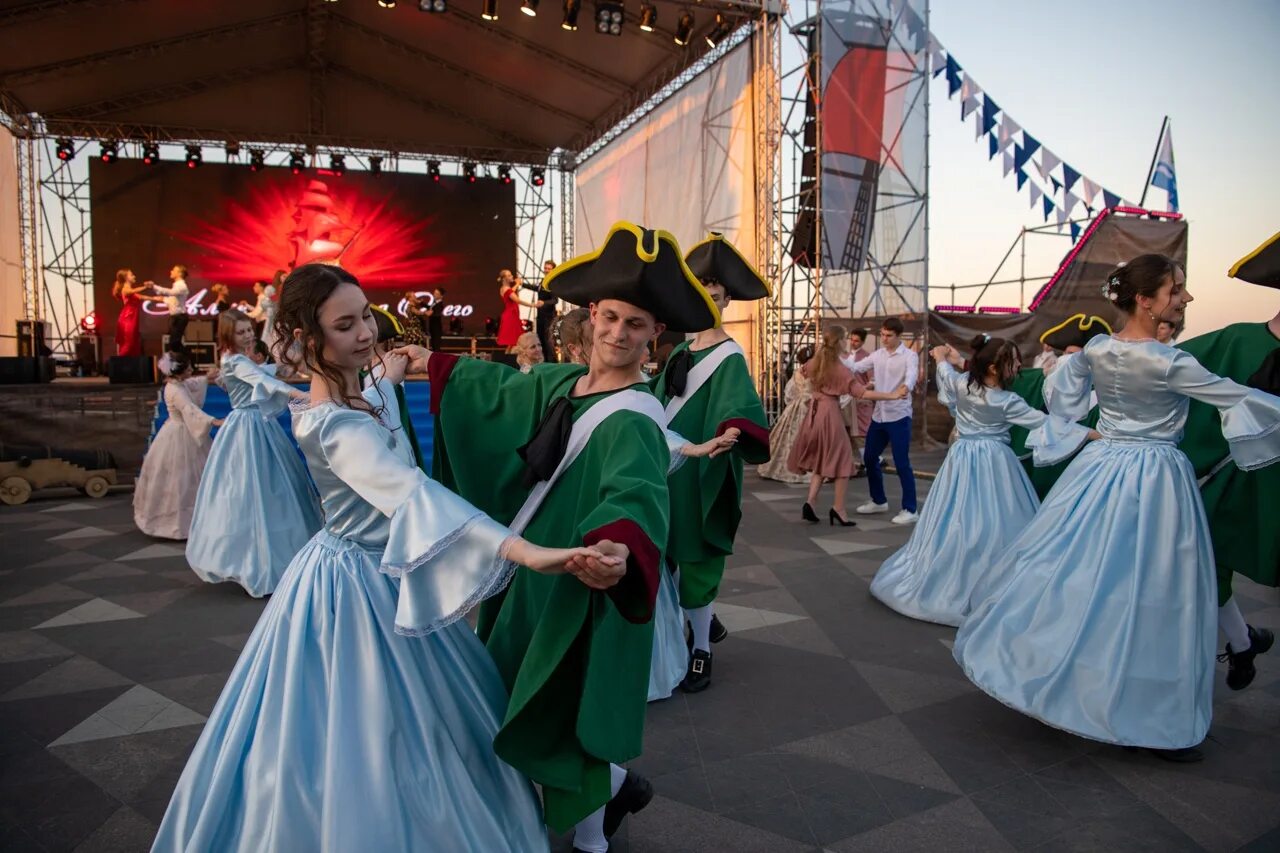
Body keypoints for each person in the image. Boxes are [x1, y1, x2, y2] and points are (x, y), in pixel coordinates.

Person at [153, 263, 620, 853]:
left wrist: (392, 373)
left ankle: (593, 790)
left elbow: (377, 408)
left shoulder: (360, 398)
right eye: (344, 325)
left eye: (366, 315)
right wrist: (525, 552)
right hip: (353, 592)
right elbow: (409, 491)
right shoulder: (334, 428)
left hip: (380, 575)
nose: (366, 333)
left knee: (433, 715)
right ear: (306, 339)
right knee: (366, 727)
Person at [395, 221, 720, 852]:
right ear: (592, 314)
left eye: (636, 325)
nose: (619, 334)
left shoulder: (638, 419)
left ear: (656, 335)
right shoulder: (561, 385)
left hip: (579, 582)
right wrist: (432, 364)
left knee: (571, 704)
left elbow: (637, 494)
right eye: (612, 317)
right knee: (520, 692)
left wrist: (617, 548)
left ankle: (594, 838)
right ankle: (619, 787)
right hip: (527, 573)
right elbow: (502, 391)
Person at [954, 254, 1280, 762]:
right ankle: (1150, 712)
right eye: (1177, 290)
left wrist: (1100, 425)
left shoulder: (1099, 348)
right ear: (1146, 302)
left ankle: (1063, 675)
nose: (1186, 298)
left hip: (1100, 469)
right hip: (1155, 480)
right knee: (1159, 588)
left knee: (1081, 574)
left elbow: (1063, 396)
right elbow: (1240, 400)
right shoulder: (1173, 362)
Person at [869, 337, 1091, 626]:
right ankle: (993, 577)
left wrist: (940, 355)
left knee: (955, 515)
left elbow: (946, 375)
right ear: (995, 369)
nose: (1019, 366)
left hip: (961, 458)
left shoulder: (963, 386)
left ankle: (952, 571)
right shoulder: (1007, 400)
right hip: (995, 462)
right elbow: (1045, 423)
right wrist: (1089, 434)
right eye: (1013, 362)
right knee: (996, 519)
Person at [650, 232, 772, 693]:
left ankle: (701, 647)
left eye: (716, 296)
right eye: (701, 294)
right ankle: (703, 622)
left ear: (725, 301)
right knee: (667, 552)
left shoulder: (729, 354)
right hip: (669, 463)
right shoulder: (680, 350)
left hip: (705, 467)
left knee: (695, 555)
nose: (709, 302)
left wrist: (733, 431)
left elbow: (738, 404)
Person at [1177, 232, 1280, 691]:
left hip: (1271, 496)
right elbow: (1159, 375)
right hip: (1223, 484)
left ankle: (1241, 645)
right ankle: (1236, 648)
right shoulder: (1233, 341)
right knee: (1202, 567)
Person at [185, 309, 323, 597]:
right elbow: (265, 382)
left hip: (259, 425)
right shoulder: (234, 361)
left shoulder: (237, 361)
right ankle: (258, 562)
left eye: (249, 330)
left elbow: (261, 375)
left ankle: (279, 558)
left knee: (272, 491)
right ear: (228, 335)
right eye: (241, 332)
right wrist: (301, 395)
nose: (248, 335)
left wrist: (283, 366)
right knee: (255, 492)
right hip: (247, 428)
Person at [788, 325, 908, 525]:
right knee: (843, 461)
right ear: (840, 342)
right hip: (829, 414)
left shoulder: (814, 362)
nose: (848, 341)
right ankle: (839, 509)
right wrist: (892, 395)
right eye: (845, 338)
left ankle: (810, 501)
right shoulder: (839, 369)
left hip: (813, 414)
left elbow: (803, 373)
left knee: (821, 459)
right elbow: (862, 393)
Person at [1006, 314, 1111, 499]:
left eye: (1078, 356)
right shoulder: (1044, 381)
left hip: (1081, 472)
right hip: (1041, 468)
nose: (1070, 360)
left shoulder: (1104, 393)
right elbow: (1005, 379)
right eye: (1067, 354)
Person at [133, 351, 223, 540]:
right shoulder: (176, 391)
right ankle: (178, 523)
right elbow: (190, 410)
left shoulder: (176, 384)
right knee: (182, 478)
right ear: (178, 372)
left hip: (178, 431)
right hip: (181, 433)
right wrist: (215, 421)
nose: (191, 370)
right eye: (188, 367)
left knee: (187, 477)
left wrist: (206, 378)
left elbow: (191, 384)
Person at [850, 317, 920, 524]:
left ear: (898, 336)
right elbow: (856, 367)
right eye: (882, 334)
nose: (884, 338)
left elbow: (912, 375)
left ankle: (911, 509)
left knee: (901, 462)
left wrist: (906, 387)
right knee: (870, 457)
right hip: (879, 415)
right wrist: (831, 357)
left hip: (899, 415)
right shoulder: (878, 354)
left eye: (889, 335)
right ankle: (878, 500)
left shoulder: (909, 356)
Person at [757, 346, 815, 484]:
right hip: (811, 406)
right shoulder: (815, 372)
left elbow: (789, 392)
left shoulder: (797, 372)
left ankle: (783, 466)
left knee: (790, 438)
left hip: (797, 406)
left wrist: (794, 402)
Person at [840, 327, 872, 477]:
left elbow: (873, 380)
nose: (853, 343)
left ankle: (868, 463)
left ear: (863, 342)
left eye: (856, 341)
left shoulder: (866, 357)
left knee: (860, 432)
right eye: (851, 340)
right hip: (845, 400)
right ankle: (851, 463)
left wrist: (862, 391)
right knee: (846, 432)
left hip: (859, 400)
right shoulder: (845, 355)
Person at [496, 269, 541, 351]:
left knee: (512, 343)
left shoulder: (504, 288)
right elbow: (518, 300)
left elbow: (511, 292)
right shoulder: (507, 289)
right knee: (515, 341)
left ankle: (507, 360)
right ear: (504, 278)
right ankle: (511, 359)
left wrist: (517, 284)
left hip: (511, 314)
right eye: (509, 275)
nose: (512, 276)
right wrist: (533, 305)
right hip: (511, 315)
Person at [149, 264, 191, 351]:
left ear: (179, 273)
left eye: (173, 270)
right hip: (176, 317)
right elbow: (174, 301)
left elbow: (172, 292)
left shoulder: (181, 285)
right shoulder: (177, 285)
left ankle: (188, 361)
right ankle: (183, 362)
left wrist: (154, 286)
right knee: (174, 343)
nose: (171, 271)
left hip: (179, 317)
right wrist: (163, 299)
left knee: (175, 343)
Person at [525, 260, 560, 359]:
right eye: (545, 268)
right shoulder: (543, 281)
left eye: (549, 268)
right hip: (541, 316)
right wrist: (522, 284)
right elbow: (537, 288)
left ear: (553, 270)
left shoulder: (553, 283)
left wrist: (544, 303)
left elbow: (555, 300)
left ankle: (552, 364)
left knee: (548, 342)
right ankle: (544, 362)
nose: (546, 270)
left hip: (549, 317)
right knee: (541, 341)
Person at [111, 269, 146, 356]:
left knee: (133, 341)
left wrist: (158, 299)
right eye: (132, 275)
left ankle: (130, 364)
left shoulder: (131, 292)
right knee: (128, 341)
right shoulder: (125, 289)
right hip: (127, 318)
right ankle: (121, 363)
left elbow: (141, 297)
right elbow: (132, 291)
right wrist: (146, 287)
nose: (134, 276)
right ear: (126, 278)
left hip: (132, 317)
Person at [246, 279, 279, 354]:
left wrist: (242, 313)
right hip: (263, 323)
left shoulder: (262, 297)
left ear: (262, 287)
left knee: (263, 344)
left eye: (256, 286)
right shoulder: (263, 297)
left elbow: (256, 313)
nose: (254, 287)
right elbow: (259, 310)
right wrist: (247, 305)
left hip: (264, 323)